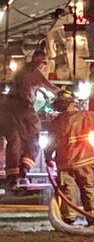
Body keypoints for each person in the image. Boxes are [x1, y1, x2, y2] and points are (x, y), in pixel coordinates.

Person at [48, 87, 94, 227]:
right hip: (84, 161)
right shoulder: (84, 116)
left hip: (64, 163)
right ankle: (93, 216)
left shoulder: (56, 123)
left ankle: (68, 218)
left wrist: (48, 157)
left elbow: (51, 143)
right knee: (88, 187)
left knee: (67, 190)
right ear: (72, 103)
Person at [1, 50, 57, 190]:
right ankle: (24, 169)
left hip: (9, 110)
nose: (43, 64)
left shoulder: (22, 70)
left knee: (15, 139)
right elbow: (50, 87)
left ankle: (13, 176)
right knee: (34, 137)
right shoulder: (34, 72)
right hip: (24, 109)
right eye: (43, 61)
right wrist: (62, 92)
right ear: (37, 60)